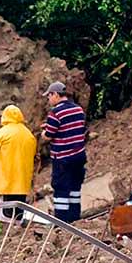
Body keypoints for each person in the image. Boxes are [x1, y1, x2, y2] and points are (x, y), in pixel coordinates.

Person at [41, 82, 88, 222]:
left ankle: (62, 221)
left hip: (63, 157)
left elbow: (48, 135)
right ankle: (75, 217)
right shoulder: (78, 109)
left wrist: (44, 131)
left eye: (49, 96)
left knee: (61, 187)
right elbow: (75, 128)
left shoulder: (55, 113)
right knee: (75, 186)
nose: (48, 100)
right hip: (79, 155)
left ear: (55, 94)